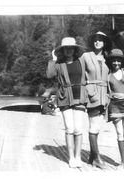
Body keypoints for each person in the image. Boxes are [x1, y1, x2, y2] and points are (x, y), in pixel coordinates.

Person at [46, 37, 87, 168]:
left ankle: (78, 157)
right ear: (63, 50)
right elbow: (49, 74)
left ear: (75, 49)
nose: (68, 50)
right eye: (66, 48)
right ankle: (71, 158)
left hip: (80, 96)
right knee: (69, 128)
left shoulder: (82, 61)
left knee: (78, 129)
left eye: (71, 48)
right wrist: (53, 58)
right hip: (65, 98)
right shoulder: (59, 64)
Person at [79, 31, 112, 169]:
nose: (97, 42)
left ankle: (92, 157)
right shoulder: (85, 56)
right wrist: (82, 95)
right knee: (94, 125)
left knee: (97, 125)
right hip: (91, 94)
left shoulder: (107, 59)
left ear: (104, 43)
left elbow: (110, 78)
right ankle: (97, 158)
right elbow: (80, 77)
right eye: (95, 40)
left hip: (104, 95)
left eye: (100, 40)